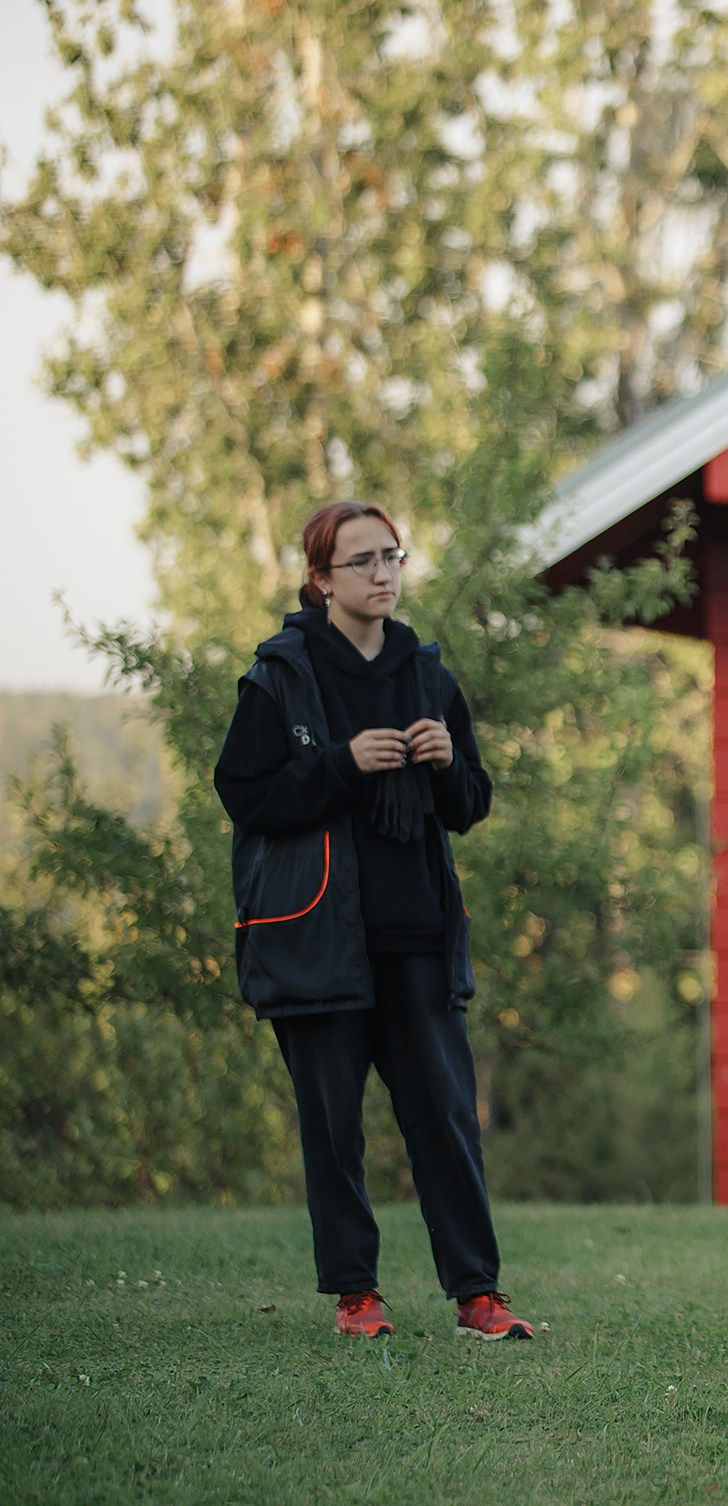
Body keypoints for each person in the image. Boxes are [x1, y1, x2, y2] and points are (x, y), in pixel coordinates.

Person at [214, 500, 532, 1343]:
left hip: (418, 938)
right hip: (320, 941)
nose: (384, 572)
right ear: (321, 580)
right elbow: (245, 795)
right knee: (335, 1126)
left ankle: (478, 1295)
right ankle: (357, 1296)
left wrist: (447, 764)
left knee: (447, 1121)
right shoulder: (281, 673)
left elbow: (470, 804)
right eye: (363, 561)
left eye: (392, 556)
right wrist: (340, 767)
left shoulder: (426, 671)